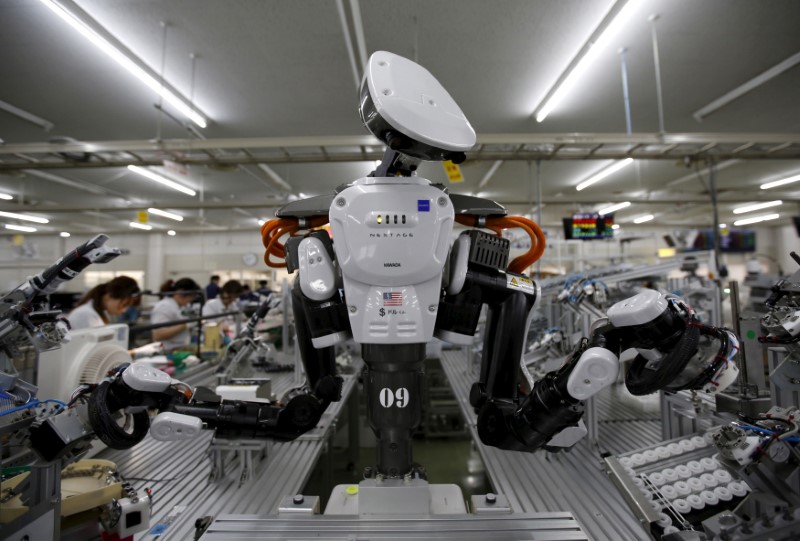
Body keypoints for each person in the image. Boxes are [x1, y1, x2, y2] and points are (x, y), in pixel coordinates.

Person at [67, 276, 141, 330]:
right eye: (124, 305)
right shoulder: (85, 315)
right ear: (109, 295)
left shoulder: (100, 312)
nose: (124, 310)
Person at [151, 277, 200, 352]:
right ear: (182, 293)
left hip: (179, 348)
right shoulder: (165, 306)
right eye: (191, 296)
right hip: (167, 350)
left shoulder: (180, 306)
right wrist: (185, 325)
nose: (191, 300)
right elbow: (158, 335)